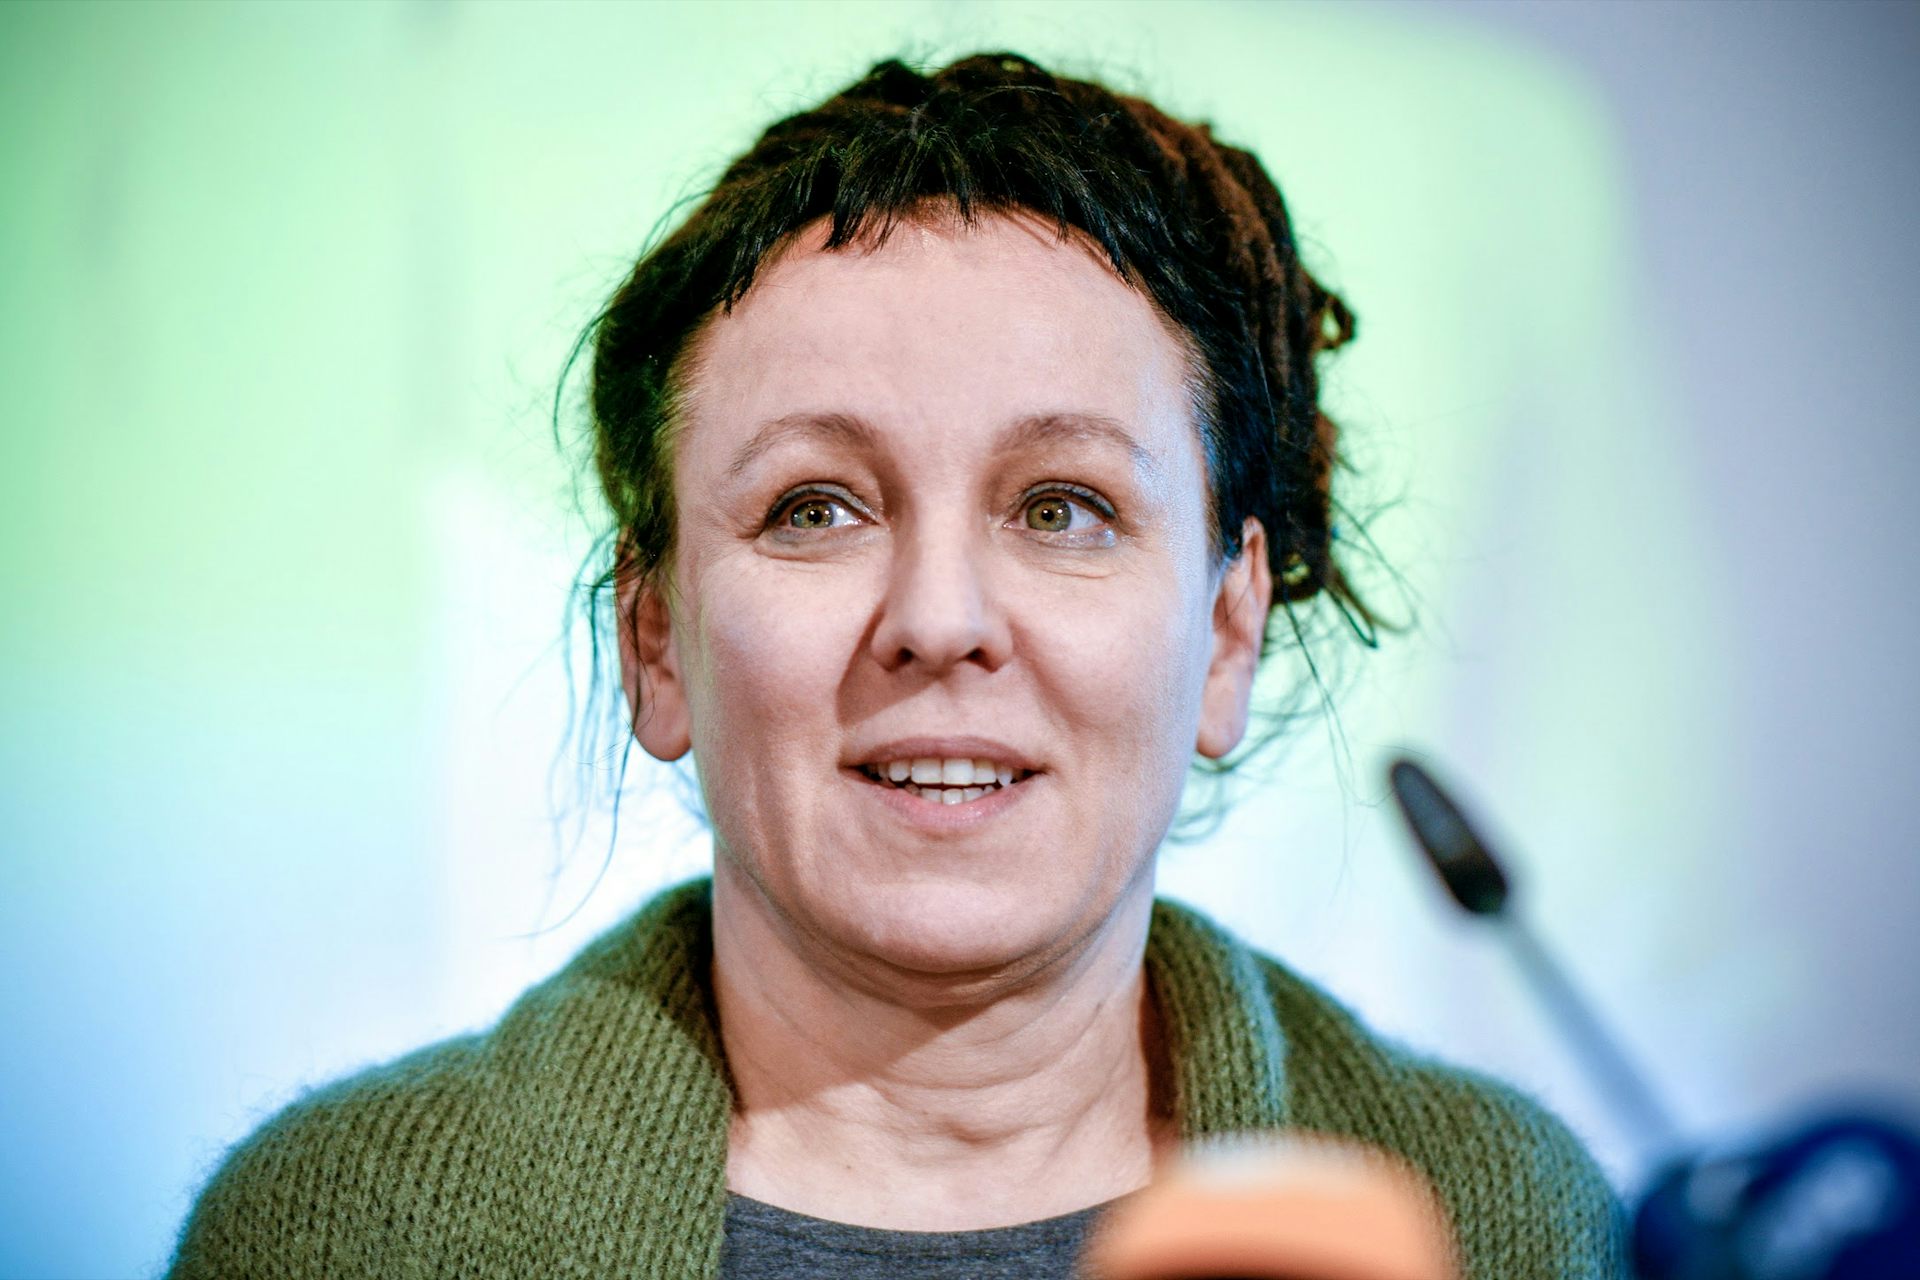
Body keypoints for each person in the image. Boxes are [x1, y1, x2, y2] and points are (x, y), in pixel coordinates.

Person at [167, 52, 1623, 1279]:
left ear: (1226, 632)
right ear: (655, 638)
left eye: (1064, 508)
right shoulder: (335, 1234)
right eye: (816, 508)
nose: (938, 619)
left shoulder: (1495, 1223)